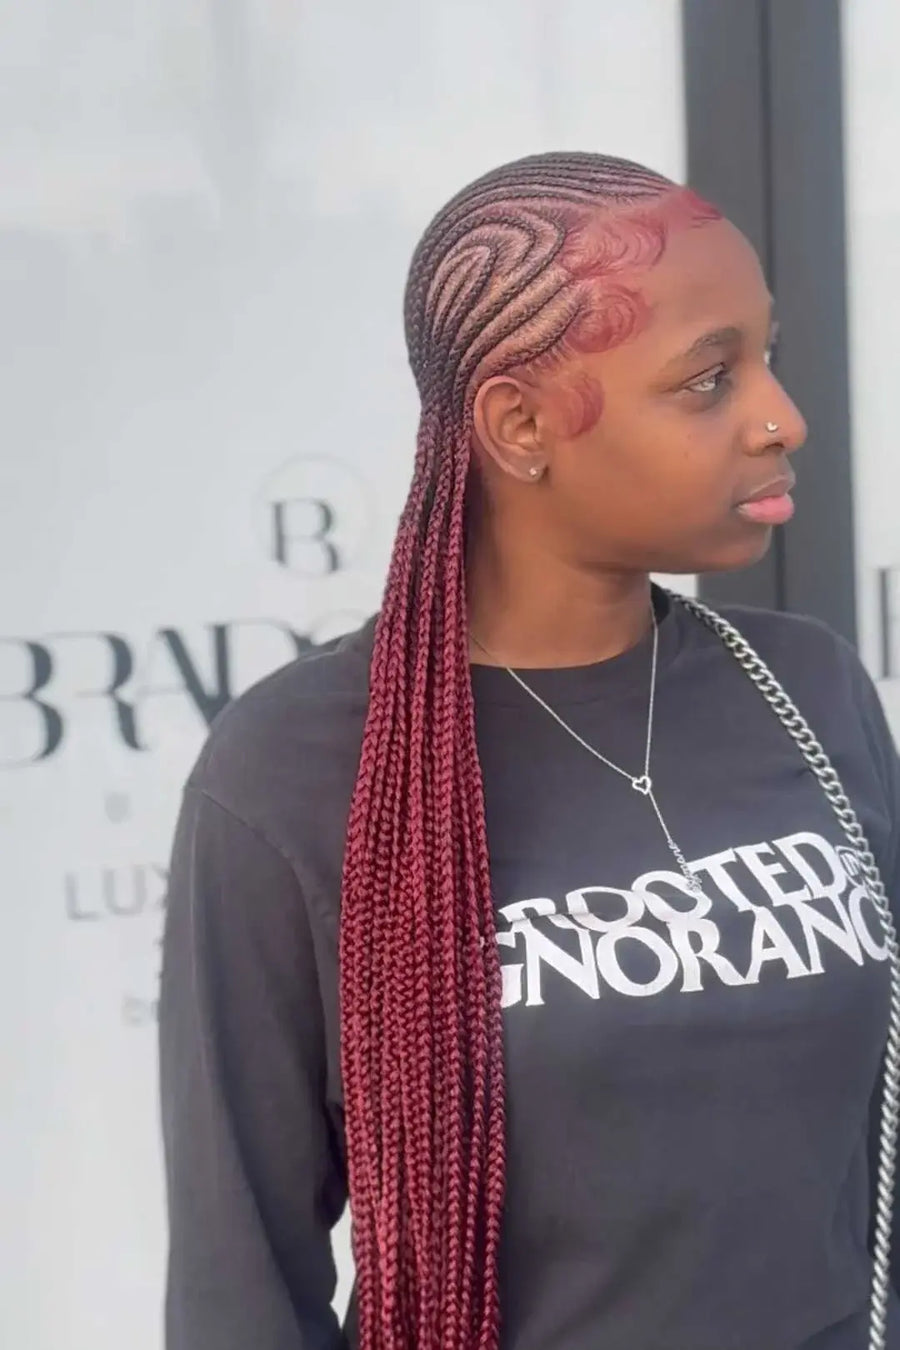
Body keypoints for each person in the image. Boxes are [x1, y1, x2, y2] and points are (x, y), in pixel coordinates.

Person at [158, 152, 900, 1350]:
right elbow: (239, 1284)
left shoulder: (809, 688)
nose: (782, 416)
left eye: (768, 354)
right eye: (710, 379)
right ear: (519, 424)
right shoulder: (297, 769)